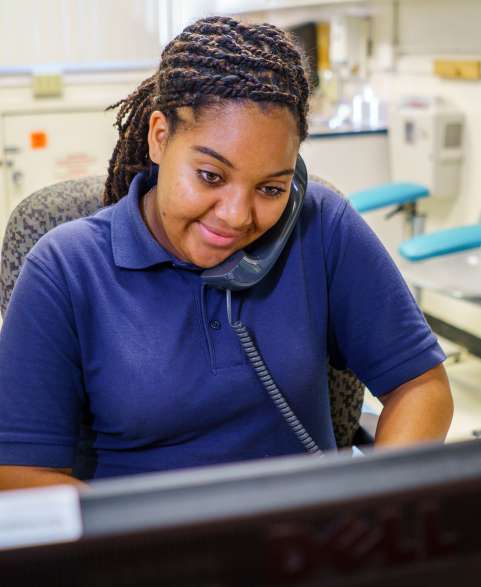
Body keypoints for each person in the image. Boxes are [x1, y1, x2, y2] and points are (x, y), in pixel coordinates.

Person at [0, 16, 453, 490]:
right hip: (147, 554)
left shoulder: (320, 225)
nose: (237, 216)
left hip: (309, 545)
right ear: (160, 137)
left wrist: (374, 503)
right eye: (210, 176)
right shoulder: (65, 268)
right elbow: (19, 473)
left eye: (271, 188)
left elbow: (421, 386)